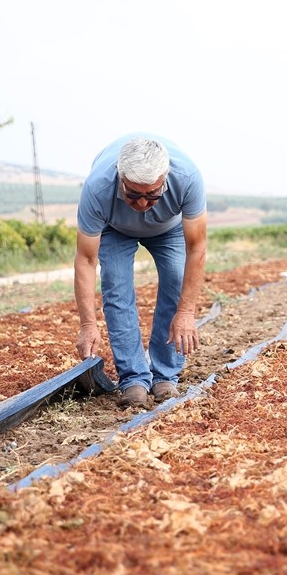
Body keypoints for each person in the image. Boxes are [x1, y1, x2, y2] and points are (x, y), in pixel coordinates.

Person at [74, 134, 208, 409]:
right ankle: (133, 378)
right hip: (115, 228)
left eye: (152, 195)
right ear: (120, 177)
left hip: (167, 229)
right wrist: (88, 325)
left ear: (166, 178)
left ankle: (165, 375)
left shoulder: (188, 178)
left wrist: (186, 312)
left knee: (175, 279)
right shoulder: (97, 188)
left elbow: (196, 247)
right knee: (116, 285)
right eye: (133, 194)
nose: (142, 204)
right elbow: (86, 260)